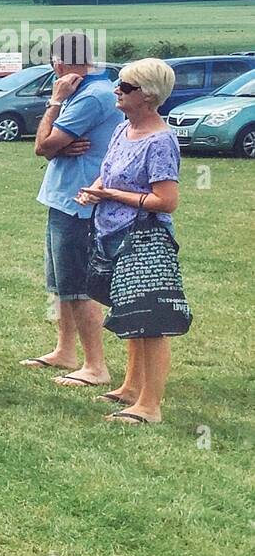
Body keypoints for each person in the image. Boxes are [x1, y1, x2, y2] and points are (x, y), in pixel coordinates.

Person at [75, 59, 190, 425]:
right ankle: (130, 387)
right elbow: (108, 173)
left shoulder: (160, 141)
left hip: (145, 239)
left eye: (125, 87)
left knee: (150, 321)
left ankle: (150, 406)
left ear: (148, 95)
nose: (117, 90)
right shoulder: (122, 128)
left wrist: (112, 195)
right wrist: (95, 190)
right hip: (113, 235)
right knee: (130, 314)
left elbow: (165, 201)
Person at [24, 32, 123, 386]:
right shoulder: (84, 91)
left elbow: (42, 146)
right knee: (61, 282)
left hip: (79, 203)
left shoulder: (91, 97)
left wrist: (54, 103)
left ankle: (96, 366)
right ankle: (65, 350)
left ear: (60, 64)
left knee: (78, 285)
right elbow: (52, 146)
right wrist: (57, 146)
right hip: (63, 198)